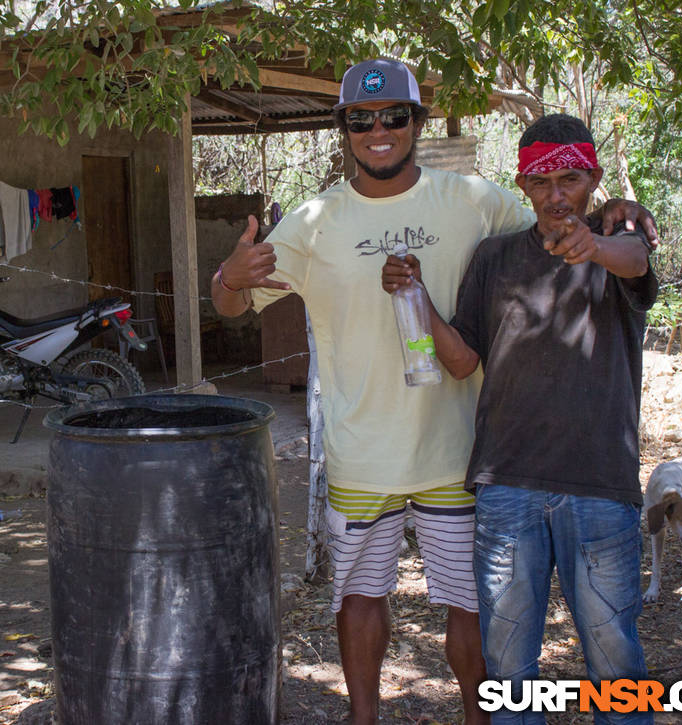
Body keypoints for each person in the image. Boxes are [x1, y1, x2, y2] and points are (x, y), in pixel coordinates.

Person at [211, 57, 655, 725]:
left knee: (481, 608)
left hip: (461, 449)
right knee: (364, 597)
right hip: (368, 450)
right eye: (361, 120)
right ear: (344, 130)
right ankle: (365, 717)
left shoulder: (475, 202)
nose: (378, 131)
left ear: (416, 122)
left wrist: (624, 212)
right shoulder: (312, 220)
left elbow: (579, 224)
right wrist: (228, 273)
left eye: (394, 116)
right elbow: (230, 299)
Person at [381, 113, 656, 724]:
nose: (557, 196)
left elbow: (636, 261)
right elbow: (460, 362)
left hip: (599, 488)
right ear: (523, 187)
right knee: (508, 672)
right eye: (541, 182)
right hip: (508, 489)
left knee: (616, 664)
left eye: (571, 180)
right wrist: (418, 299)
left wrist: (596, 245)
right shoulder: (496, 258)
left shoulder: (619, 250)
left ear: (595, 179)